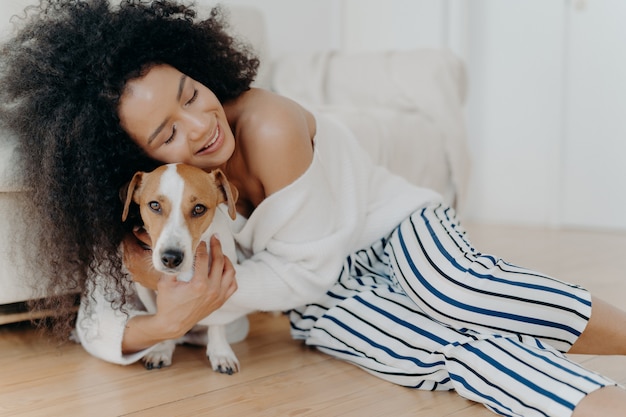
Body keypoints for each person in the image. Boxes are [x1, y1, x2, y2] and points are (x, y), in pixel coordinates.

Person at [1, 1, 626, 416]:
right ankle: (594, 402)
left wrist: (199, 294)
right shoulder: (146, 209)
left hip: (381, 230)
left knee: (457, 292)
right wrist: (165, 323)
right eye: (165, 134)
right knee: (431, 350)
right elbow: (96, 320)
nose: (199, 125)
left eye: (191, 93)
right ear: (130, 161)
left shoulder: (267, 125)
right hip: (313, 295)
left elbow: (307, 268)